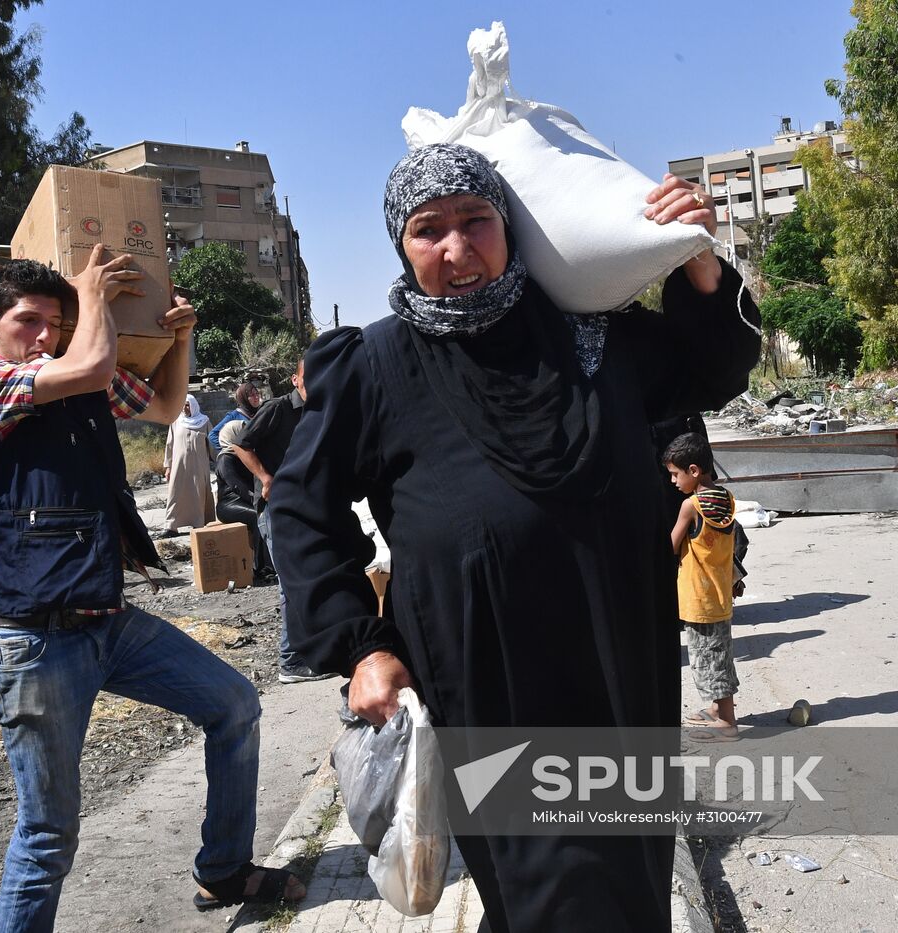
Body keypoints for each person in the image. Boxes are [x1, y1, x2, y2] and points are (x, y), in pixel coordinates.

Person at [269, 144, 760, 931]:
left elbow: (713, 371)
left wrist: (697, 258)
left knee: (630, 881)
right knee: (548, 893)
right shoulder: (377, 363)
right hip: (487, 677)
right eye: (429, 230)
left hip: (617, 665)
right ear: (400, 241)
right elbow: (298, 505)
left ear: (510, 225)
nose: (458, 249)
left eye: (476, 220)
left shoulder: (592, 332)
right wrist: (362, 645)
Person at [0, 250, 303, 933]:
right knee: (49, 834)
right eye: (29, 321)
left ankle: (224, 868)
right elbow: (84, 364)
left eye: (56, 322)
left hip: (105, 622)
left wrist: (178, 337)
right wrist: (90, 299)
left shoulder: (79, 379)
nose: (45, 335)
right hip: (34, 640)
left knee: (234, 705)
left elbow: (170, 404)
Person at [233, 360, 329, 684]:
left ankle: (309, 651)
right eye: (308, 376)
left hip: (304, 507)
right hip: (274, 510)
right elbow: (241, 446)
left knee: (306, 579)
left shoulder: (317, 412)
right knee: (290, 582)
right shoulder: (277, 409)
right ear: (295, 378)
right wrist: (265, 477)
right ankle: (290, 662)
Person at [664, 432, 741, 739]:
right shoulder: (727, 501)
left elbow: (671, 545)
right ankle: (716, 710)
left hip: (698, 598)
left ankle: (727, 722)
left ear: (693, 471)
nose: (673, 481)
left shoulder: (691, 506)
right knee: (719, 654)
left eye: (674, 474)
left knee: (708, 660)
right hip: (720, 594)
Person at [214, 418, 273, 583]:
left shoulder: (245, 456)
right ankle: (263, 568)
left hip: (244, 501)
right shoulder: (225, 459)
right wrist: (258, 501)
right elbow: (238, 487)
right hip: (229, 505)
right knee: (258, 518)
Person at [160, 395, 215, 537]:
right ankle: (171, 526)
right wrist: (168, 466)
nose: (184, 408)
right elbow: (170, 444)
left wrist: (220, 460)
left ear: (194, 405)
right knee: (175, 494)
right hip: (179, 467)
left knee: (199, 493)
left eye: (187, 405)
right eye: (182, 405)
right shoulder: (176, 421)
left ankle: (198, 523)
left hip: (199, 466)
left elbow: (213, 443)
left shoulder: (204, 422)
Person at [208, 382, 261, 454]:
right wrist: (233, 452)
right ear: (244, 397)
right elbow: (213, 435)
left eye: (257, 393)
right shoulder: (234, 416)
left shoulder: (260, 412)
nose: (256, 397)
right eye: (252, 395)